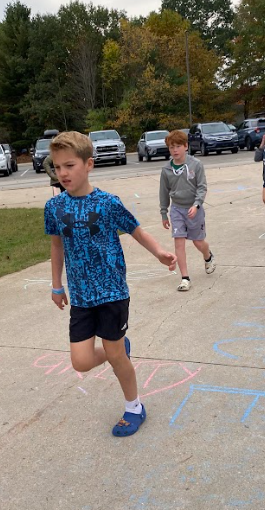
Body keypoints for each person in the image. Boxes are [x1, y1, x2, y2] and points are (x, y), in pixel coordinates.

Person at [45, 131, 177, 438]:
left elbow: (136, 231)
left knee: (115, 354)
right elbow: (56, 246)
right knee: (81, 361)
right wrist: (56, 285)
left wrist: (159, 252)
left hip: (112, 292)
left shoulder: (107, 203)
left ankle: (134, 407)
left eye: (70, 165)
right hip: (80, 296)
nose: (63, 173)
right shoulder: (54, 207)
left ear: (88, 164)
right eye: (58, 167)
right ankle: (119, 350)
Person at [160, 130, 216, 292]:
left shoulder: (196, 165)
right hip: (177, 209)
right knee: (179, 241)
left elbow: (202, 187)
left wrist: (197, 204)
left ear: (186, 146)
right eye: (171, 147)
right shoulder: (166, 170)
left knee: (198, 242)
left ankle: (208, 256)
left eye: (178, 146)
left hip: (194, 208)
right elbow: (163, 192)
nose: (175, 150)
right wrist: (164, 213)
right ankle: (185, 278)